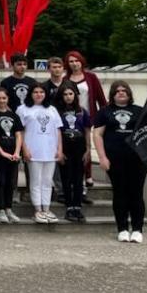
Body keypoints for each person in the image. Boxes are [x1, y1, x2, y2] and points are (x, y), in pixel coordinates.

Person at [93, 81, 146, 243]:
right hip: (115, 159)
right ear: (112, 94)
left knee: (136, 193)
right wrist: (102, 157)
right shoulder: (104, 112)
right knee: (120, 193)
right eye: (117, 91)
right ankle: (122, 228)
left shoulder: (139, 111)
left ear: (129, 93)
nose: (121, 93)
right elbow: (97, 135)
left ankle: (137, 229)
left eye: (124, 90)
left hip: (137, 159)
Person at [16, 83, 64, 224]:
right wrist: (24, 149)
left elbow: (58, 130)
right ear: (30, 94)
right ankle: (38, 210)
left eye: (41, 92)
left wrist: (59, 149)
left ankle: (46, 209)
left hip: (50, 151)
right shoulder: (23, 109)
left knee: (47, 181)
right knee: (36, 181)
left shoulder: (52, 109)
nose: (39, 94)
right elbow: (20, 131)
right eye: (35, 91)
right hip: (33, 150)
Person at [64, 50, 107, 190]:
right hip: (73, 118)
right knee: (78, 146)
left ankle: (88, 175)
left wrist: (104, 116)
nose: (74, 64)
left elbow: (101, 98)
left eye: (76, 60)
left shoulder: (91, 77)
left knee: (88, 145)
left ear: (81, 61)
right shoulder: (66, 79)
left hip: (90, 117)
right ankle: (78, 177)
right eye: (71, 61)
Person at [0, 88, 24, 224]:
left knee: (10, 182)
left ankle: (8, 208)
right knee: (0, 181)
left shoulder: (14, 115)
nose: (1, 101)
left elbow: (19, 134)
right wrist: (1, 152)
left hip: (13, 154)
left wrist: (17, 152)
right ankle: (0, 209)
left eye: (4, 98)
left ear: (8, 99)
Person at [55, 82, 90, 222]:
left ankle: (77, 207)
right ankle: (69, 207)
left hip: (79, 146)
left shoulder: (82, 111)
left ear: (75, 95)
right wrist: (59, 151)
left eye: (70, 94)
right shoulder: (57, 111)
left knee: (78, 178)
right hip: (65, 146)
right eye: (65, 94)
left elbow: (87, 130)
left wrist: (88, 149)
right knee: (66, 178)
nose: (68, 97)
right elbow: (56, 132)